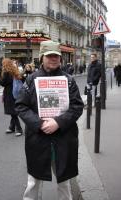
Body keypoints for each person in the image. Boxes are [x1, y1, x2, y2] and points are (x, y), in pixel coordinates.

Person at [15, 40, 84, 200]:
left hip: (63, 138)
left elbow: (77, 106)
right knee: (33, 181)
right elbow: (21, 106)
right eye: (50, 55)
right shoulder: (31, 80)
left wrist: (58, 122)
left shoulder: (69, 80)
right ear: (42, 57)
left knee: (64, 182)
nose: (54, 59)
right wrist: (39, 124)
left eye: (57, 56)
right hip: (38, 139)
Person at [0, 58, 23, 136]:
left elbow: (2, 83)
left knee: (13, 112)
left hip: (9, 94)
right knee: (12, 111)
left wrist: (1, 77)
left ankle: (19, 129)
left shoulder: (6, 72)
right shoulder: (14, 71)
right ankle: (11, 127)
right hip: (15, 94)